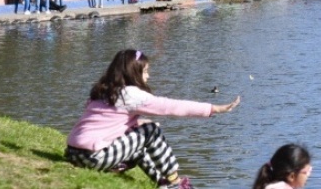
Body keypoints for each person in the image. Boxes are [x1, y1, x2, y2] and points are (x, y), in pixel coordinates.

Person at [65, 49, 240, 189]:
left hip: (73, 154)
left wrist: (138, 123)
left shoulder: (102, 91)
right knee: (151, 131)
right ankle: (175, 182)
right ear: (133, 73)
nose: (148, 77)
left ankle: (161, 182)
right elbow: (171, 107)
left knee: (142, 136)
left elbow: (108, 123)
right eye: (145, 72)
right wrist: (213, 108)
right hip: (94, 156)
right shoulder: (130, 94)